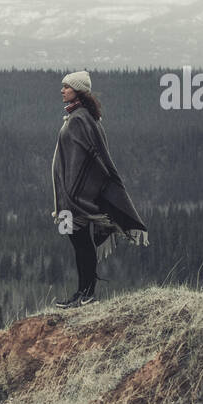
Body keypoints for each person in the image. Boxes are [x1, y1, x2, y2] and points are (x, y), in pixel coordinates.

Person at [50, 70, 148, 308]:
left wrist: (76, 191)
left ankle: (86, 294)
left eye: (66, 87)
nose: (62, 90)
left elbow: (94, 160)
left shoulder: (80, 119)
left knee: (82, 244)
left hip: (76, 199)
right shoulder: (79, 117)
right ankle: (82, 293)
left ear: (78, 91)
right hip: (68, 197)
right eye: (63, 87)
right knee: (78, 243)